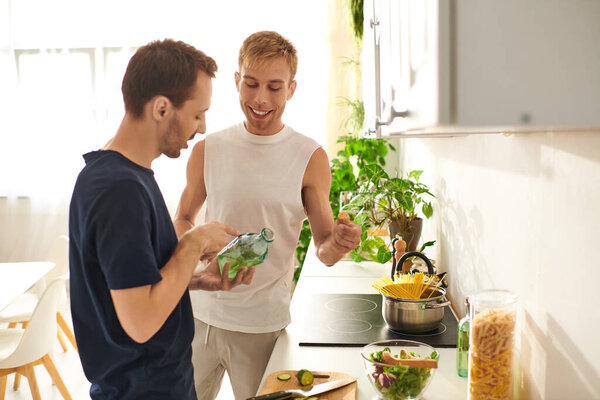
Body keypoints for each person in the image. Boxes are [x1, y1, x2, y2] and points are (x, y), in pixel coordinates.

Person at [173, 31, 362, 399]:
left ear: (291, 89)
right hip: (197, 318)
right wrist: (195, 248)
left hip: (261, 327)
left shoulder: (309, 157)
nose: (261, 98)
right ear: (236, 81)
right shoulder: (207, 149)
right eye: (252, 83)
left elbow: (323, 248)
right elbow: (183, 217)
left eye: (274, 87)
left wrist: (339, 244)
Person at [69, 39, 255, 400]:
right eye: (198, 114)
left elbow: (132, 288)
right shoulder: (119, 190)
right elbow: (139, 323)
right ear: (161, 108)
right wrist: (195, 242)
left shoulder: (123, 175)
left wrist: (198, 280)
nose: (201, 128)